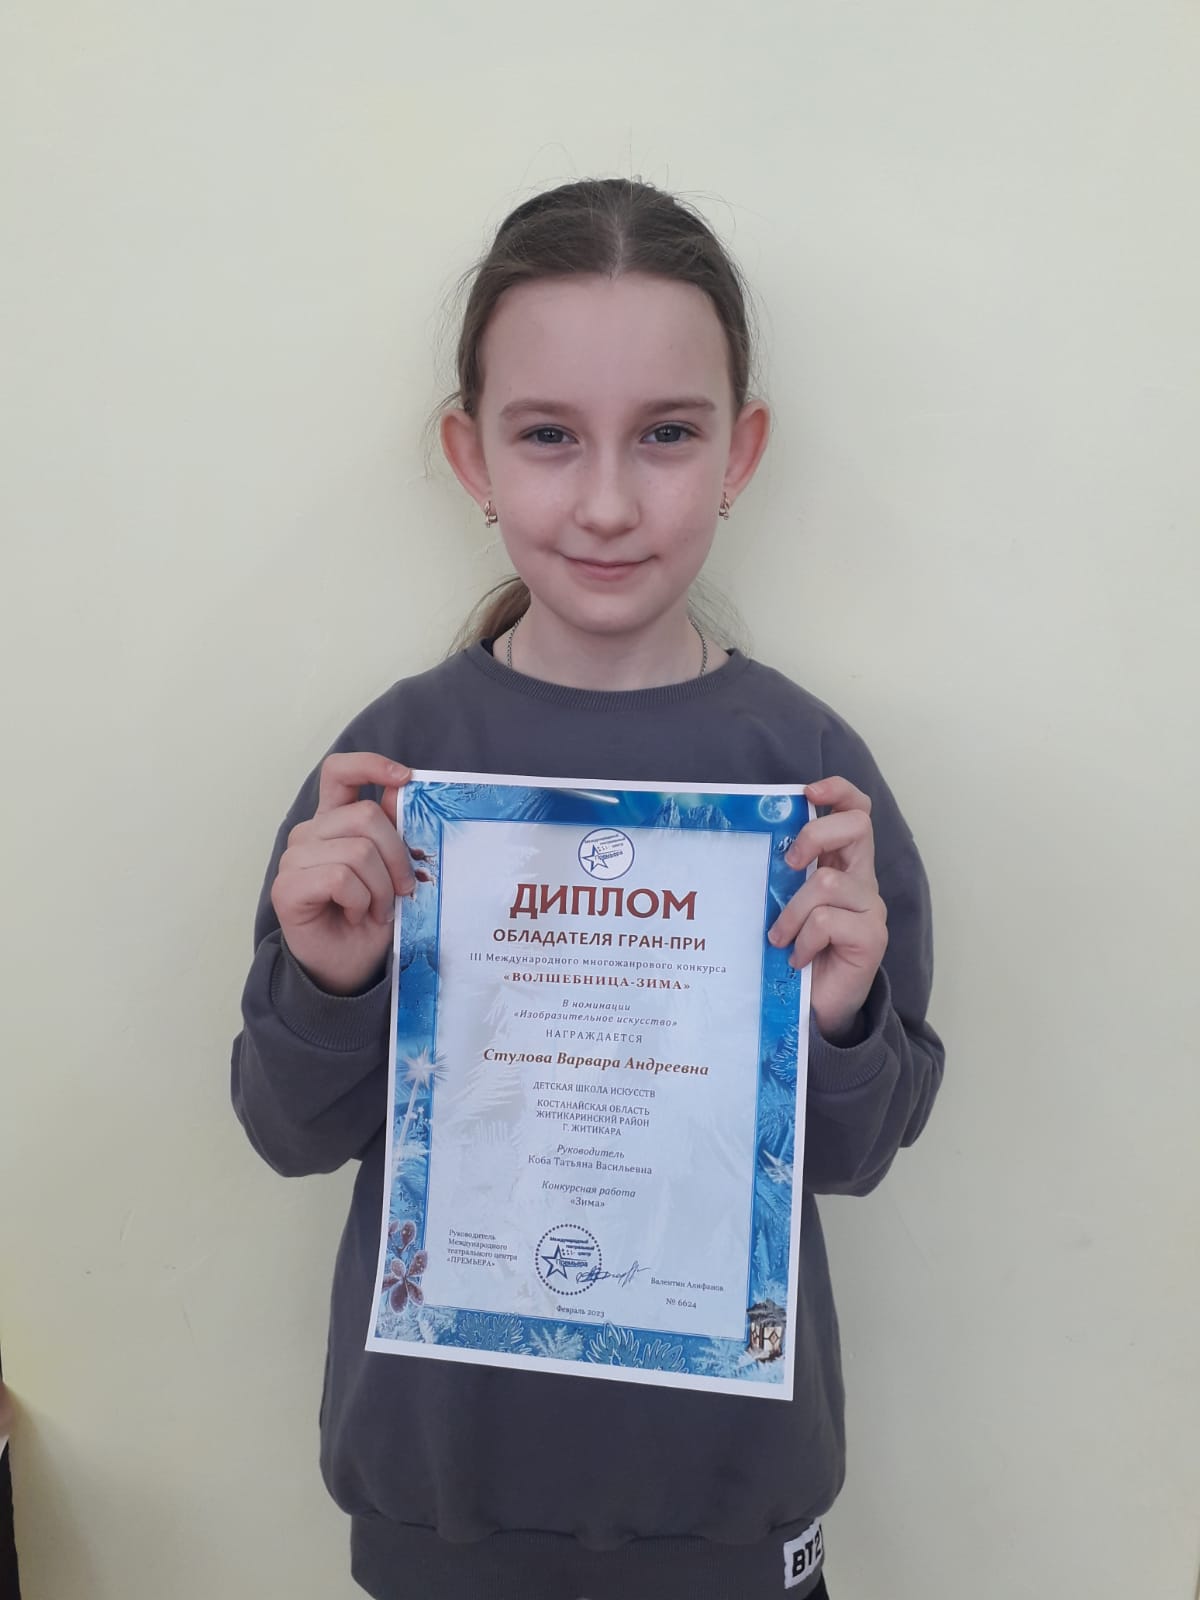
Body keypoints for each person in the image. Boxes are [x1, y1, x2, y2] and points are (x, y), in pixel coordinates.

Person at [231, 178, 944, 1600]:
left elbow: (857, 1156)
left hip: (728, 1511)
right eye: (548, 435)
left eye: (667, 434)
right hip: (443, 1502)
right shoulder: (396, 766)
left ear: (739, 452)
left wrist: (841, 1022)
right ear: (472, 456)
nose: (609, 502)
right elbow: (289, 1130)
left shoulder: (805, 776)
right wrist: (329, 982)